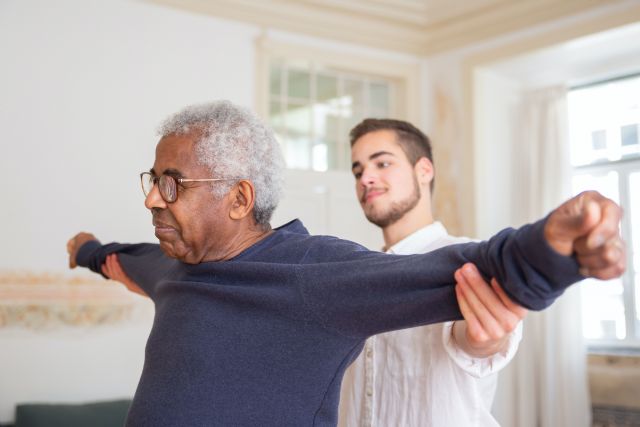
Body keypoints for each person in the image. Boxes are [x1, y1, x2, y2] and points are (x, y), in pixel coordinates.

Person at [66, 100, 625, 427]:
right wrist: (88, 251)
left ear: (239, 199)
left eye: (173, 184)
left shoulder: (315, 274)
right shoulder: (172, 271)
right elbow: (126, 260)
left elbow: (464, 268)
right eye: (153, 180)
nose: (152, 199)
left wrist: (558, 249)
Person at [340, 119, 527, 426]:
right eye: (358, 171)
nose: (366, 179)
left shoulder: (469, 260)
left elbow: (477, 343)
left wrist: (485, 340)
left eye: (382, 163)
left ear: (424, 170)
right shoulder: (355, 274)